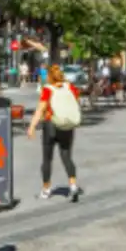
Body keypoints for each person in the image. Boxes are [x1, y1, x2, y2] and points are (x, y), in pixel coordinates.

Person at [26, 65, 83, 202]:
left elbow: (40, 109)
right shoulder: (71, 88)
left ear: (50, 77)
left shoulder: (48, 90)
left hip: (51, 125)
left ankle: (46, 189)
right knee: (66, 156)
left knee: (47, 158)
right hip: (67, 125)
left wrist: (32, 126)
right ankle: (73, 185)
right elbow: (75, 104)